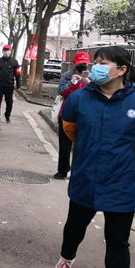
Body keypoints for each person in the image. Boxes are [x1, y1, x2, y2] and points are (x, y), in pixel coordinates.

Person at [55, 46, 135, 268]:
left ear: (122, 69)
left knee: (118, 241)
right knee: (74, 227)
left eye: (103, 63)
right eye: (96, 62)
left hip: (124, 183)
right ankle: (66, 258)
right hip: (86, 177)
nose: (96, 67)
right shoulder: (78, 99)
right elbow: (70, 130)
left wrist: (122, 156)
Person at [54, 51, 90, 180]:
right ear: (75, 63)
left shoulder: (92, 77)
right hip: (67, 114)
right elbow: (61, 91)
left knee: (82, 146)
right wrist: (72, 84)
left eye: (85, 64)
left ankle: (77, 172)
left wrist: (89, 84)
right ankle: (62, 170)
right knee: (64, 145)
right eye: (80, 64)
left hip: (85, 115)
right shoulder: (67, 76)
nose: (82, 66)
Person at [0, 44, 21, 126]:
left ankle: (7, 115)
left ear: (10, 51)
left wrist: (18, 86)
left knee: (9, 103)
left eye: (8, 50)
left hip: (9, 86)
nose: (6, 52)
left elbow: (17, 74)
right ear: (2, 51)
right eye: (5, 50)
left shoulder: (14, 62)